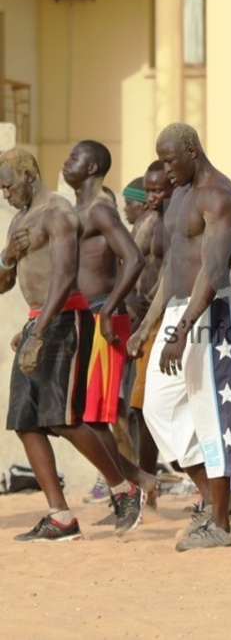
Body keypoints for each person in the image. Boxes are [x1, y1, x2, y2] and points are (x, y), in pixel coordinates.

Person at [0, 148, 145, 540]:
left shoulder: (59, 212)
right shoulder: (19, 221)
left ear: (28, 176)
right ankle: (61, 516)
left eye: (8, 185)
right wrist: (9, 255)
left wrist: (41, 332)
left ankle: (124, 488)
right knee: (24, 422)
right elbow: (2, 283)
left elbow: (65, 278)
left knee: (62, 417)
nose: (5, 194)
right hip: (38, 321)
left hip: (65, 320)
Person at [126, 122, 231, 551]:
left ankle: (219, 524)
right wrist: (148, 326)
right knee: (157, 408)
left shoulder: (219, 196)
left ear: (191, 151)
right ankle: (221, 500)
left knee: (213, 416)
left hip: (210, 314)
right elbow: (172, 270)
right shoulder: (179, 196)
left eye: (169, 160)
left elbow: (212, 272)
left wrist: (180, 330)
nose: (164, 170)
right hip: (179, 313)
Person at [61, 141, 156, 516]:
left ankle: (132, 487)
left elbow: (132, 258)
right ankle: (138, 481)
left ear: (92, 167)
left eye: (74, 158)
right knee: (87, 415)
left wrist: (109, 310)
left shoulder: (100, 209)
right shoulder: (76, 210)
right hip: (84, 318)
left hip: (103, 318)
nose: (66, 163)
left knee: (96, 417)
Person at [127, 161, 172, 489]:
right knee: (141, 408)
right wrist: (130, 298)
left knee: (154, 406)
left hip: (170, 319)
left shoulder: (180, 221)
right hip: (145, 322)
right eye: (149, 191)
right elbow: (125, 261)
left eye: (158, 190)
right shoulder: (149, 223)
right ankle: (146, 484)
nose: (153, 197)